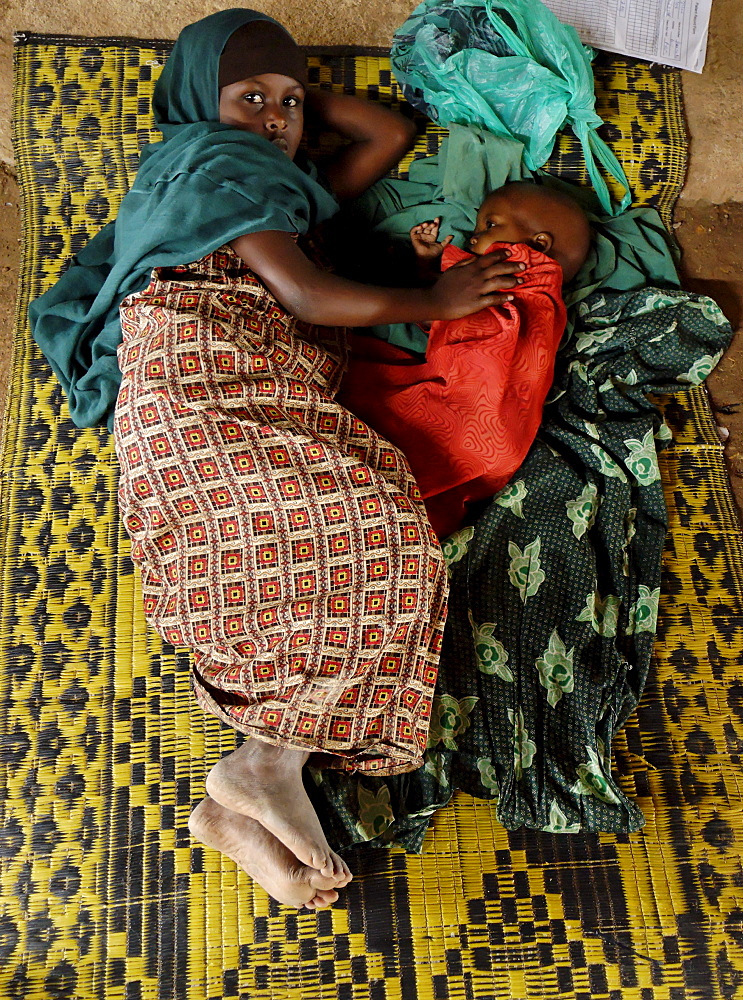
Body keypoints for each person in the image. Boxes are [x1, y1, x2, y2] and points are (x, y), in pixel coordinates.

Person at [28, 9, 529, 910]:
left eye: (290, 102)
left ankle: (257, 777)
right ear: (193, 102)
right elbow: (302, 290)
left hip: (250, 380)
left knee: (369, 545)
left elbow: (391, 131)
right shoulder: (209, 167)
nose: (274, 116)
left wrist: (277, 107)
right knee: (375, 537)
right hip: (197, 379)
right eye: (250, 96)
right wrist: (435, 296)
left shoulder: (269, 176)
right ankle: (263, 768)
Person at [338, 182, 592, 537]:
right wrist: (428, 271)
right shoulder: (532, 294)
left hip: (476, 427)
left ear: (537, 245)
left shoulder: (530, 291)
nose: (473, 240)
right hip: (492, 440)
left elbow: (462, 319)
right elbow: (448, 319)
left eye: (490, 226)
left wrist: (434, 283)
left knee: (360, 397)